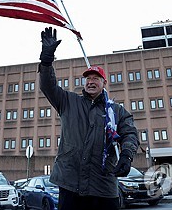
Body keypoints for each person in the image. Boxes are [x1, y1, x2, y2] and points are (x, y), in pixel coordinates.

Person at [38, 27, 139, 210]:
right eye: (88, 78)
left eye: (96, 78)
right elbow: (48, 86)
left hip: (103, 185)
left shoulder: (116, 111)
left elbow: (130, 134)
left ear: (104, 83)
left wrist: (126, 155)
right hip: (70, 183)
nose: (91, 81)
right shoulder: (68, 101)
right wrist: (46, 61)